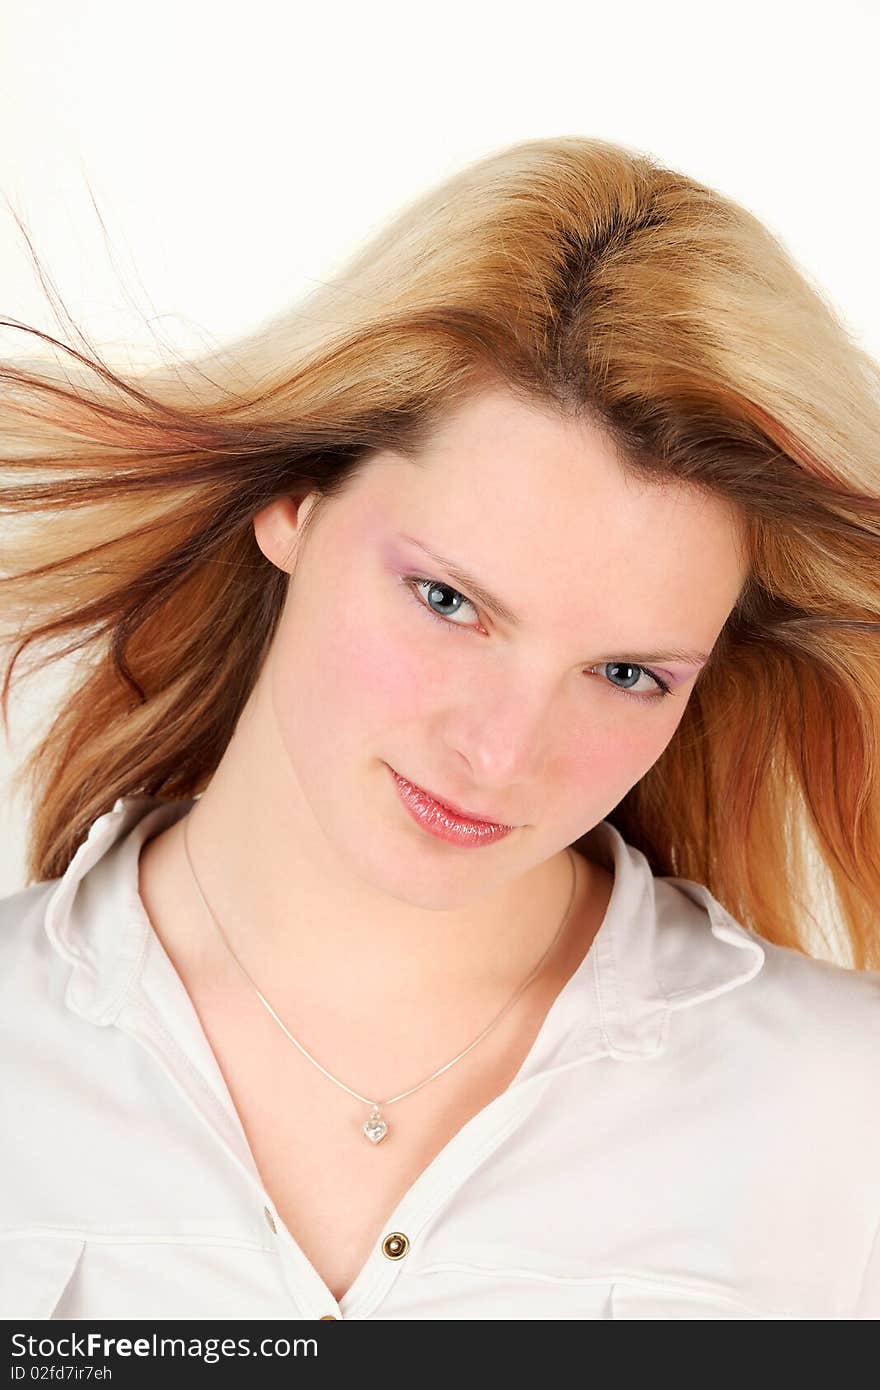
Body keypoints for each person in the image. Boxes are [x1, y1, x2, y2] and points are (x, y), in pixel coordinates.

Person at [1, 135, 879, 1322]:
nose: (504, 752)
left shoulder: (840, 1112)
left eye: (623, 673)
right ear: (296, 506)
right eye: (449, 602)